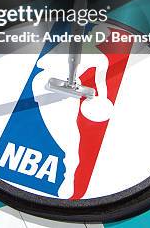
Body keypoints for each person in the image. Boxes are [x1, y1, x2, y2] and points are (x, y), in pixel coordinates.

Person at [31, 24, 114, 199]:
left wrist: (101, 101)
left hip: (70, 93)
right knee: (61, 132)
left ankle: (68, 177)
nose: (96, 38)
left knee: (72, 138)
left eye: (100, 37)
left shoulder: (100, 59)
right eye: (95, 33)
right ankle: (66, 166)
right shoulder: (69, 42)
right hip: (46, 84)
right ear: (89, 32)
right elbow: (41, 63)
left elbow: (102, 85)